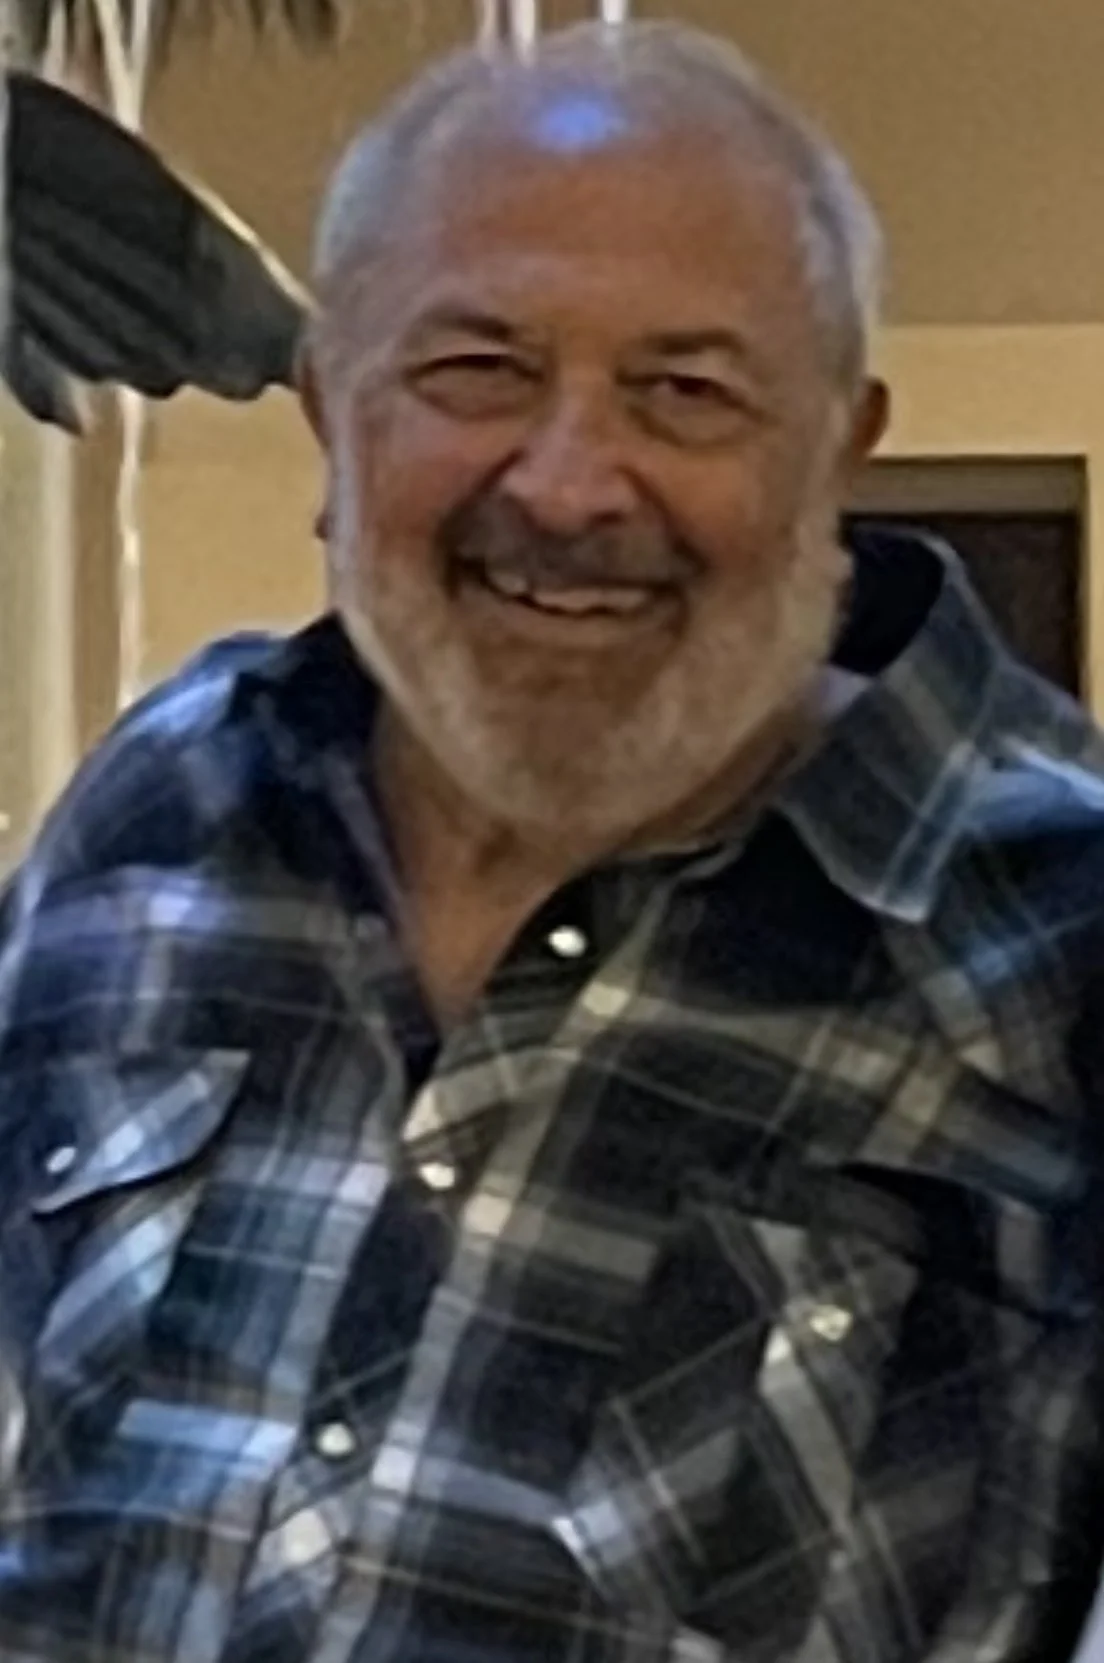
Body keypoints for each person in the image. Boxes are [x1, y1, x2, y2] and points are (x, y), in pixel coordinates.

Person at [1, 18, 1104, 1663]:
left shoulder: (1057, 927)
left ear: (836, 450)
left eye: (687, 391)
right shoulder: (164, 808)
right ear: (331, 416)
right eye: (477, 370)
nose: (573, 482)